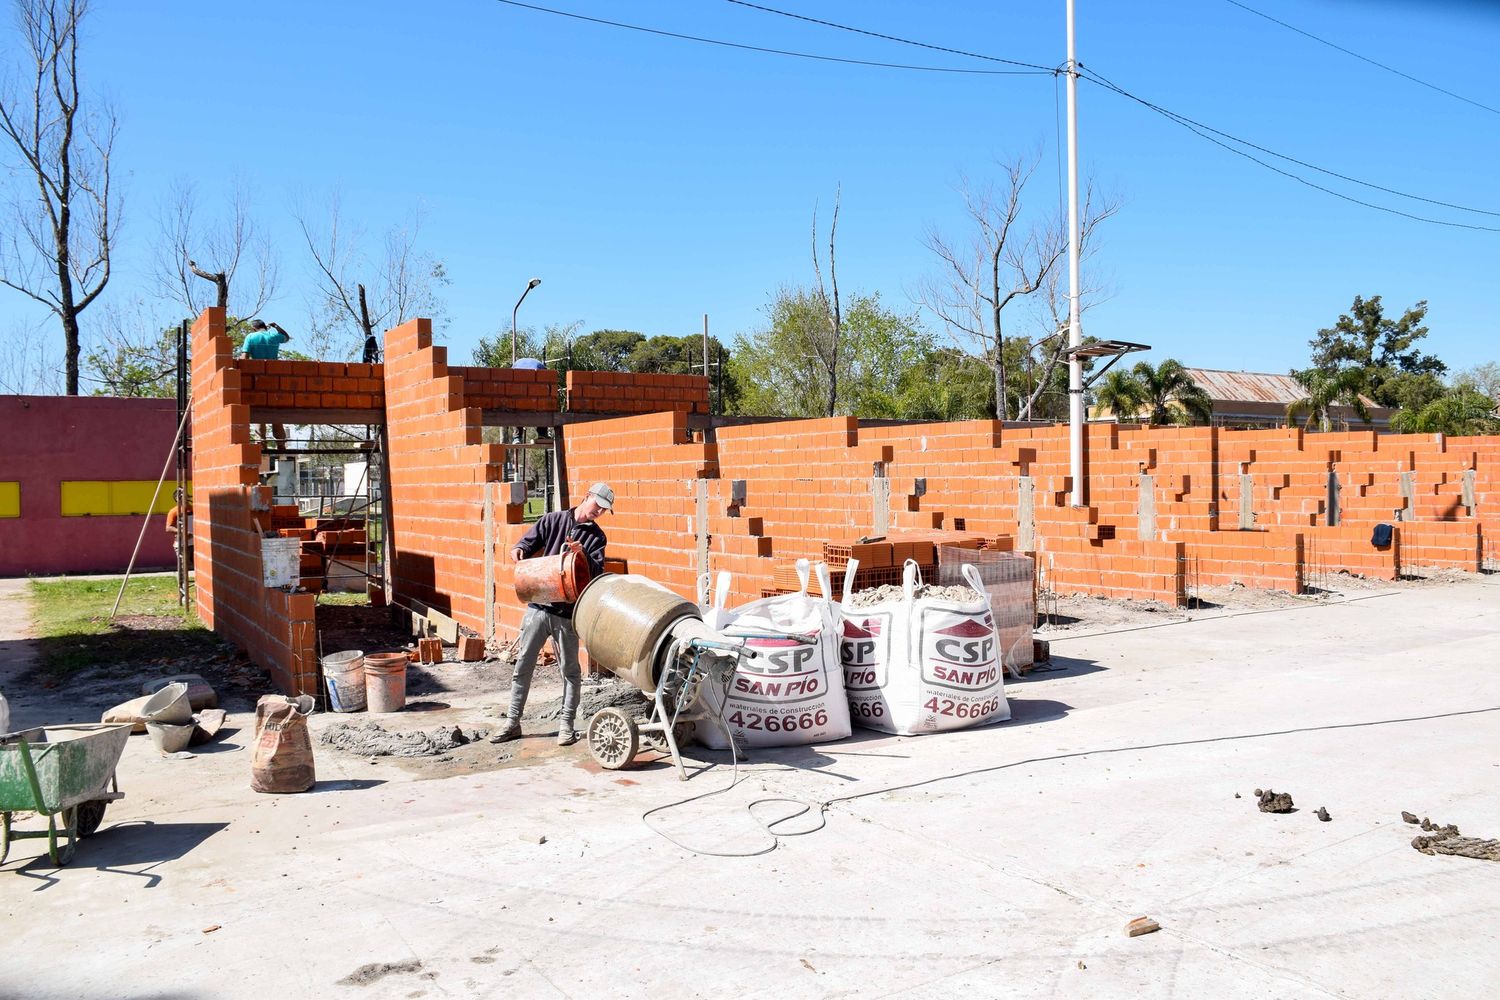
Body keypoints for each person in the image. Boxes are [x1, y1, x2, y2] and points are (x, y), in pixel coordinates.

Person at [496, 483, 613, 746]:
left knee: (570, 671)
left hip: (567, 613)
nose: (599, 513)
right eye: (597, 506)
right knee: (523, 665)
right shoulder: (553, 520)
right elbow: (527, 542)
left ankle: (566, 727)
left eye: (604, 511)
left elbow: (597, 574)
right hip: (538, 607)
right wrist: (519, 549)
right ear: (587, 497)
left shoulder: (597, 538)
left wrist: (583, 555)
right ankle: (512, 722)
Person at [242, 319, 291, 450]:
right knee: (275, 412)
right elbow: (286, 337)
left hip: (258, 380)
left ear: (254, 328)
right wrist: (277, 326)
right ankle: (281, 444)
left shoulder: (251, 337)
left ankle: (261, 443)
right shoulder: (273, 336)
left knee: (260, 413)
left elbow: (244, 358)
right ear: (265, 326)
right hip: (274, 379)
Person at [165, 490, 193, 563]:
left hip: (195, 543)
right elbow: (168, 528)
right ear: (177, 499)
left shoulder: (194, 509)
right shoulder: (174, 511)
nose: (184, 497)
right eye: (181, 496)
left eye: (185, 495)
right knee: (183, 567)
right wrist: (182, 532)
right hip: (181, 544)